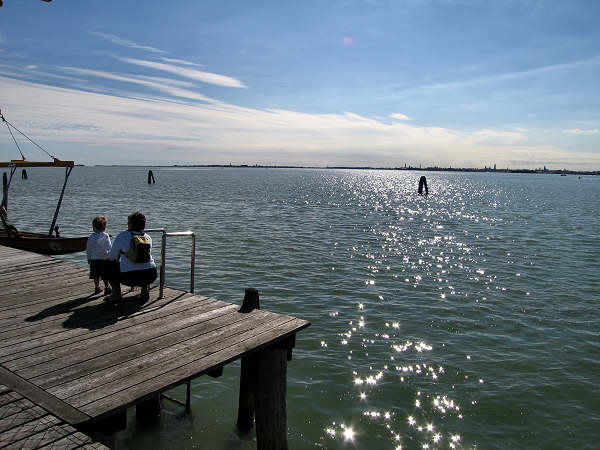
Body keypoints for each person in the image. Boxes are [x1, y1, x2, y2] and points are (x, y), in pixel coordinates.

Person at [106, 211, 157, 303]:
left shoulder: (122, 236)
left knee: (108, 265)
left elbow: (112, 257)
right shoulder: (147, 237)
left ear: (130, 224)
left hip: (129, 277)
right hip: (150, 275)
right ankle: (144, 290)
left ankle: (117, 294)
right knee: (145, 264)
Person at [86, 216, 112, 295]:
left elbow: (88, 249)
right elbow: (109, 247)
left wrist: (89, 258)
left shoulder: (91, 237)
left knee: (95, 275)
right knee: (105, 275)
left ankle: (97, 287)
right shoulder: (106, 236)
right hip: (104, 258)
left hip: (94, 259)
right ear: (104, 227)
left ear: (94, 227)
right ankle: (107, 287)